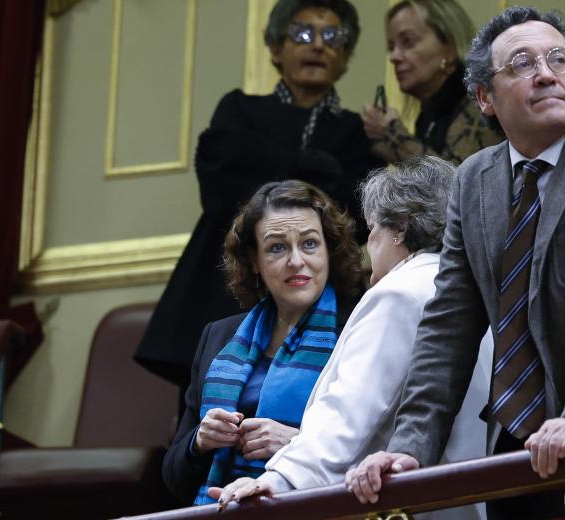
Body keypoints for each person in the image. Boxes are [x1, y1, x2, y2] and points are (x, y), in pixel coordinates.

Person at [346, 6, 565, 519]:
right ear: (485, 98)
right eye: (521, 63)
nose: (545, 73)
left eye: (559, 59)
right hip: (517, 452)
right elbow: (447, 327)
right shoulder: (473, 180)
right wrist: (410, 447)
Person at [207, 157, 492, 520]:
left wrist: (280, 480)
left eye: (372, 229)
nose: (369, 243)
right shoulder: (466, 286)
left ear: (400, 229)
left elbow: (349, 409)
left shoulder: (401, 292)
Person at [135, 0, 383, 390]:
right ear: (274, 47)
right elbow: (222, 196)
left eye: (332, 37)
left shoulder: (355, 131)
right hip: (221, 294)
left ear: (347, 56)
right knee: (206, 425)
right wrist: (312, 166)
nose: (318, 45)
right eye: (303, 34)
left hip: (316, 305)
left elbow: (352, 213)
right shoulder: (239, 109)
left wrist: (265, 161)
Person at [161, 180, 362, 506]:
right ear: (254, 260)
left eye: (310, 244)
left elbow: (383, 452)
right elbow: (173, 477)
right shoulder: (218, 337)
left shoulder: (357, 331)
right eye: (277, 248)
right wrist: (199, 441)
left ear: (330, 250)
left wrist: (296, 443)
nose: (296, 261)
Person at [361, 0, 503, 165]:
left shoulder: (480, 102)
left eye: (408, 42)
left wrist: (393, 136)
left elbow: (458, 185)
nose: (394, 57)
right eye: (391, 47)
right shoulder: (431, 114)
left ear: (449, 48)